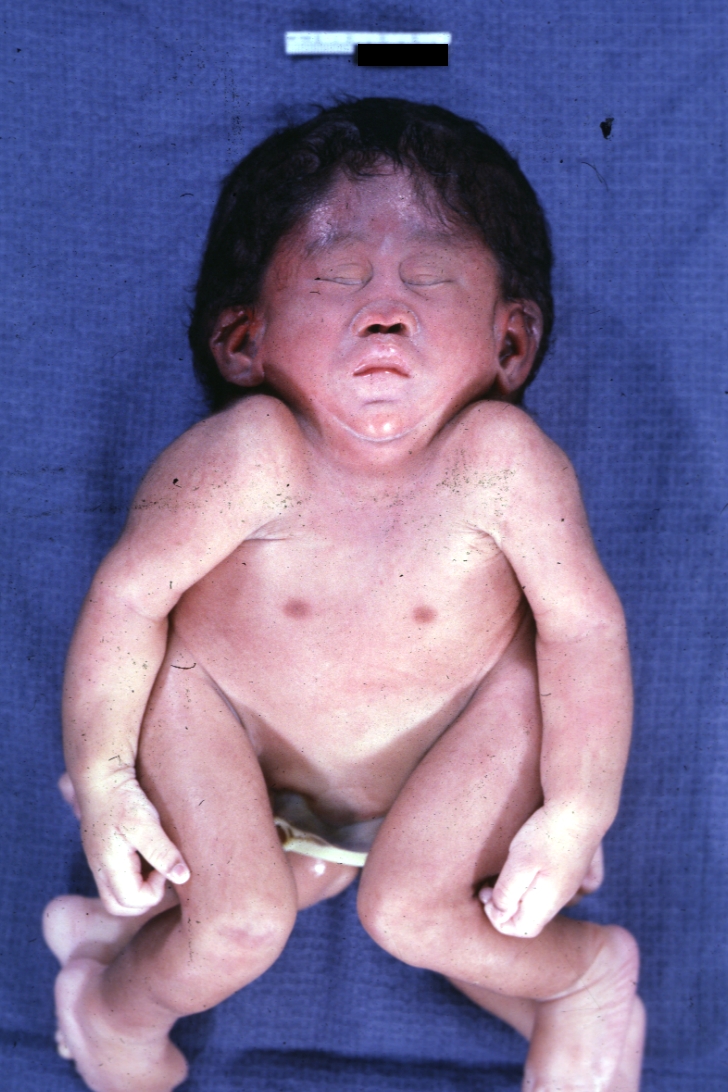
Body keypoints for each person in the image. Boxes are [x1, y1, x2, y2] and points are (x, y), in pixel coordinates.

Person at [43, 98, 645, 1092]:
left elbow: (583, 630)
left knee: (418, 912)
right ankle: (113, 1006)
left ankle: (585, 977)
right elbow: (127, 603)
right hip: (227, 726)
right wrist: (104, 769)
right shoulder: (248, 457)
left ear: (509, 343)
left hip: (447, 751)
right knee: (238, 920)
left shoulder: (501, 466)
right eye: (336, 278)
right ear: (243, 338)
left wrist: (577, 805)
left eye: (430, 279)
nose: (385, 309)